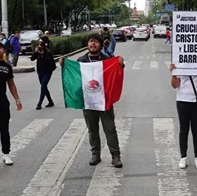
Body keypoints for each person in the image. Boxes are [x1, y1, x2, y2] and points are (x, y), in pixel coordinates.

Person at [59, 34, 125, 167]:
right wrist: (63, 64)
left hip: (104, 102)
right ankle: (95, 154)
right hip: (88, 102)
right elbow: (74, 78)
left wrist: (120, 64)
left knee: (110, 129)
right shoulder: (81, 60)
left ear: (100, 45)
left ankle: (115, 156)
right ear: (87, 45)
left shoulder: (107, 60)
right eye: (90, 42)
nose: (92, 44)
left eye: (95, 42)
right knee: (92, 130)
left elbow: (116, 73)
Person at [168, 65, 197, 169]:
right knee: (183, 129)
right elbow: (175, 85)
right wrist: (173, 73)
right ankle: (183, 157)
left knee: (196, 129)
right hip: (182, 100)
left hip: (196, 102)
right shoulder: (180, 65)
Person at [30, 36, 56, 110]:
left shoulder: (48, 52)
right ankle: (50, 101)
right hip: (40, 71)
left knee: (43, 86)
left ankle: (39, 103)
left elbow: (51, 64)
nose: (40, 45)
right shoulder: (38, 51)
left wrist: (43, 53)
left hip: (47, 72)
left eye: (41, 43)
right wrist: (36, 52)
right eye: (39, 43)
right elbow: (32, 59)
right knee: (44, 87)